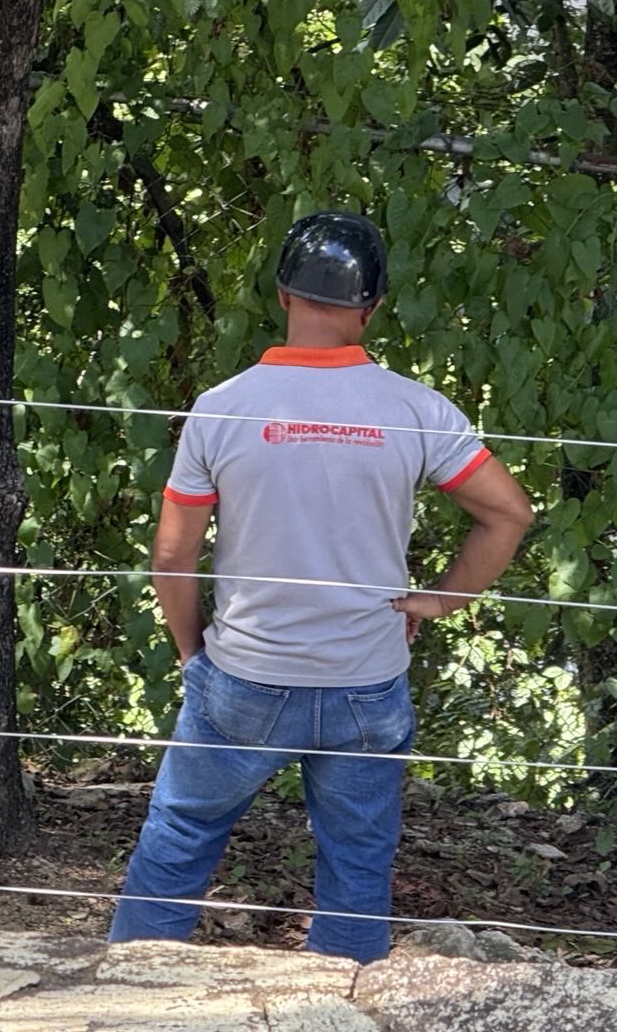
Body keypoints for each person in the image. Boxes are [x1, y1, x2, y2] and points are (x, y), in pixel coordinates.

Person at [107, 211, 533, 963]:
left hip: (245, 675)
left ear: (282, 294)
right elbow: (508, 513)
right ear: (371, 307)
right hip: (367, 681)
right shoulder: (415, 411)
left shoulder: (223, 406)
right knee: (357, 866)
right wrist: (439, 601)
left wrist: (191, 656)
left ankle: (128, 1004)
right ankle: (342, 1024)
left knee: (179, 841)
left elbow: (172, 557)